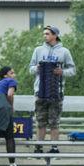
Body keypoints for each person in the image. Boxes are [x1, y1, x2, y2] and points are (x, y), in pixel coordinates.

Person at [29, 25, 76, 154]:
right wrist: (36, 68)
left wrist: (62, 72)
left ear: (55, 35)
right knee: (40, 121)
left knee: (54, 122)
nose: (45, 36)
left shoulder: (64, 51)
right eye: (44, 34)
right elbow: (30, 67)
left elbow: (72, 70)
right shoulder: (38, 50)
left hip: (56, 92)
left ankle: (54, 147)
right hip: (40, 91)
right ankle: (39, 147)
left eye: (48, 34)